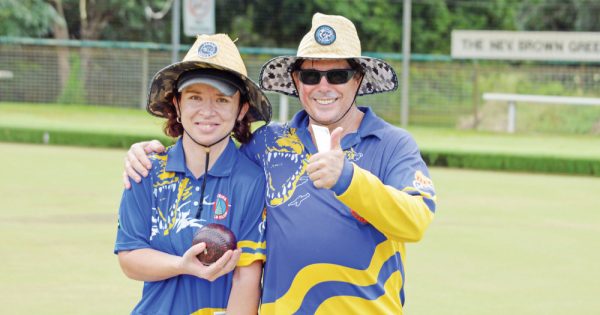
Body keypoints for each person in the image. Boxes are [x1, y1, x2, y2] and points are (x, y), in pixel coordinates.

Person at [124, 13, 437, 314]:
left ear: (358, 79)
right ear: (296, 81)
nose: (323, 86)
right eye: (311, 76)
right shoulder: (265, 143)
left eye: (338, 75)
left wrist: (349, 179)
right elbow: (208, 146)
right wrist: (151, 153)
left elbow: (416, 220)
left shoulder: (393, 144)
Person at [114, 33, 272, 315]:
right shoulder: (147, 170)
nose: (207, 111)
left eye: (222, 100)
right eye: (195, 97)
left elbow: (247, 277)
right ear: (177, 104)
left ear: (241, 110)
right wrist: (181, 265)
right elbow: (129, 258)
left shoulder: (252, 180)